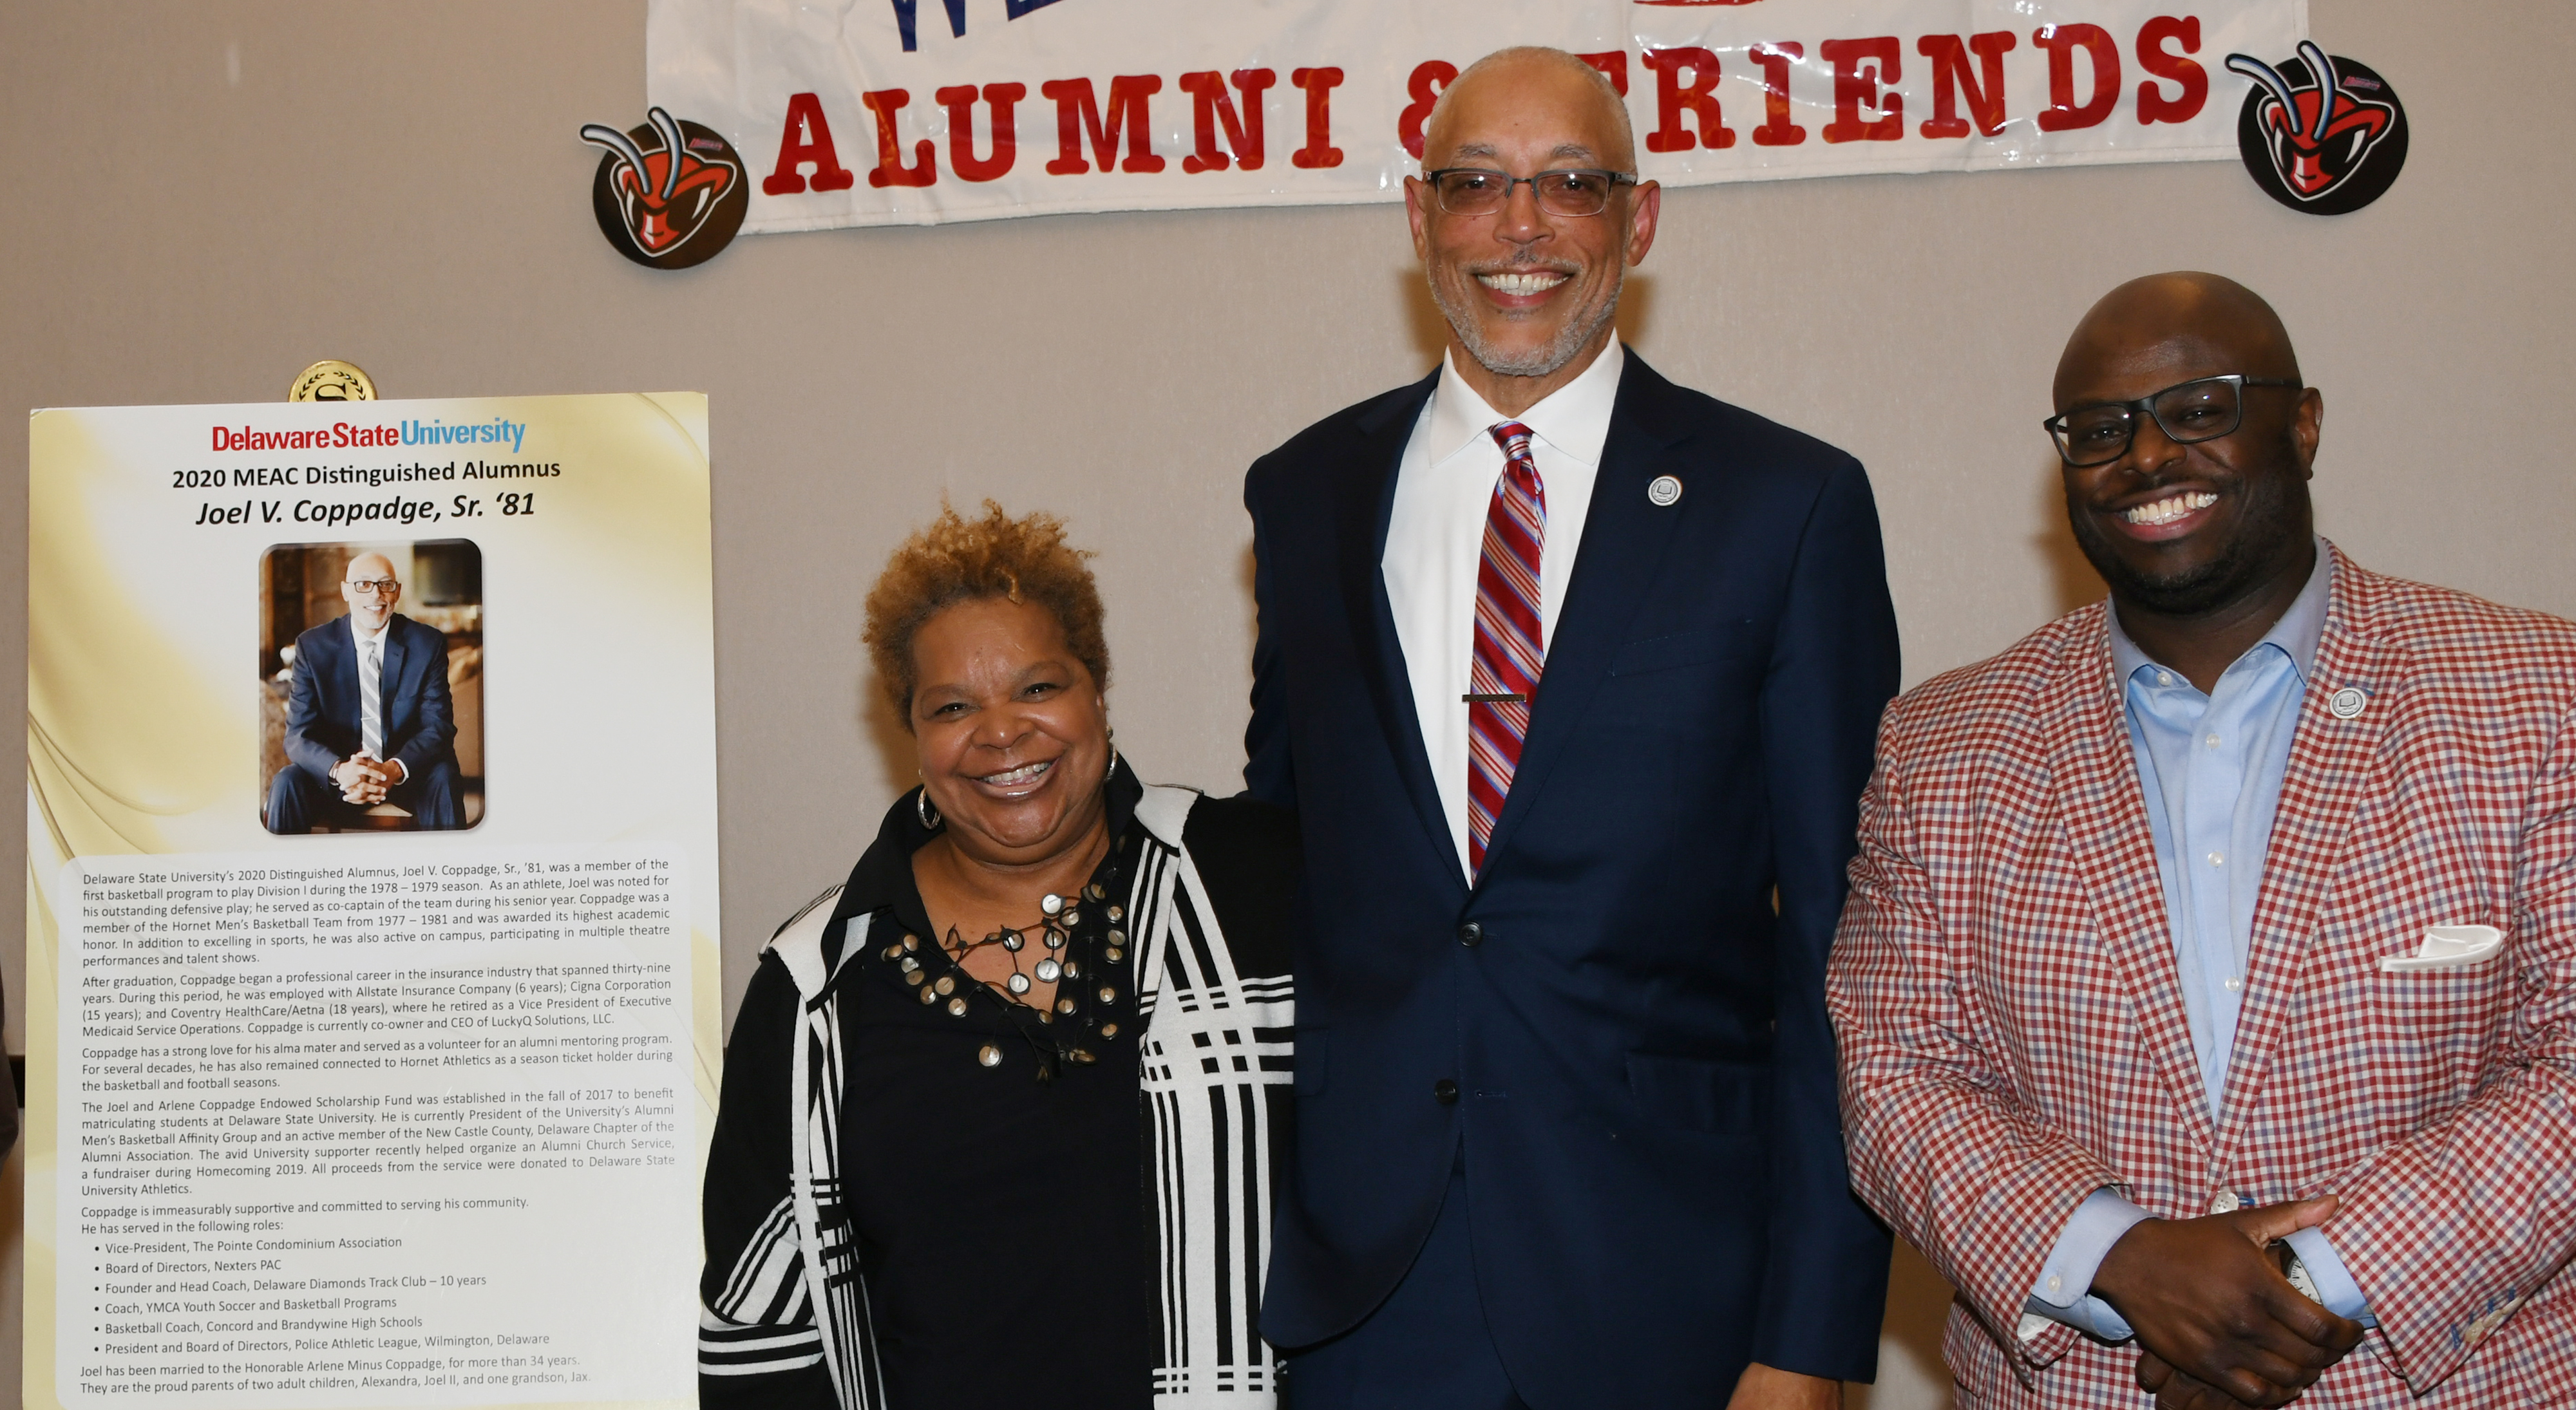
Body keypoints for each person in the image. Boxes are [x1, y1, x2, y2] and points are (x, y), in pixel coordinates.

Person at [1242, 46, 1899, 1409]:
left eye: (1570, 186)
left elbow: (1846, 946)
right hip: (1370, 1300)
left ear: (1639, 219)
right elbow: (1286, 874)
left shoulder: (1783, 509)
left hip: (1673, 1293)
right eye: (1475, 185)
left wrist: (1814, 1333)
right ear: (1418, 218)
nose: (1520, 228)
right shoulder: (1304, 495)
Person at [1830, 272, 2576, 1408]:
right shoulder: (1946, 741)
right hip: (2085, 1379)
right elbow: (1895, 1068)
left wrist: (2300, 1284)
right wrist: (2120, 1261)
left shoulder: (2537, 692)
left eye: (2200, 410)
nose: (2146, 457)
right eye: (2100, 429)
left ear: (2305, 423)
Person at [698, 502, 1300, 1409]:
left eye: (1036, 687)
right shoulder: (820, 984)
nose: (1001, 732)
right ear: (913, 735)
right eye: (952, 706)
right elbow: (758, 1331)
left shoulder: (1252, 885)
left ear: (1097, 691)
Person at [265, 550, 464, 832]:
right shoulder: (312, 647)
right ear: (346, 591)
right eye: (364, 584)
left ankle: (451, 870)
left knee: (444, 776)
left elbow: (438, 727)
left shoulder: (427, 644)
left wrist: (392, 770)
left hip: (403, 773)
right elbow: (298, 735)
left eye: (385, 584)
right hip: (337, 776)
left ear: (396, 592)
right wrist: (340, 770)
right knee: (286, 783)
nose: (375, 595)